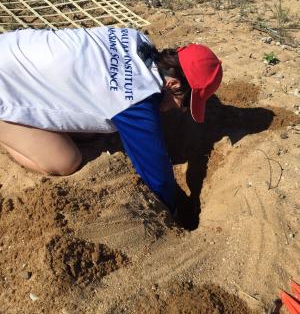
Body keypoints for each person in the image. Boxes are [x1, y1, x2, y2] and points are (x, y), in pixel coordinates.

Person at [0, 26, 222, 214]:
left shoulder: (137, 39)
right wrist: (175, 210)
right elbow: (157, 176)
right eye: (186, 102)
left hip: (10, 49)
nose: (182, 110)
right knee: (65, 161)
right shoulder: (136, 100)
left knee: (93, 129)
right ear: (174, 84)